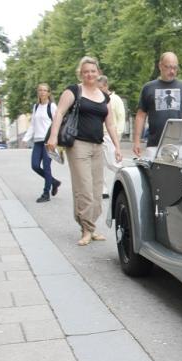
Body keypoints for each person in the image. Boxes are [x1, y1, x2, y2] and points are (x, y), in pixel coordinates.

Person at [46, 56, 122, 246]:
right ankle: (86, 230)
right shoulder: (74, 91)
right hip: (78, 145)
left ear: (98, 73)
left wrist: (117, 146)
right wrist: (53, 137)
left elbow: (110, 124)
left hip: (97, 145)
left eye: (93, 71)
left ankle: (91, 226)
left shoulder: (104, 97)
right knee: (84, 189)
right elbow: (59, 113)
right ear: (81, 73)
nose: (89, 74)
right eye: (86, 71)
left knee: (96, 190)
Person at [133, 52, 182, 160]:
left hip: (180, 145)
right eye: (168, 67)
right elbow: (140, 116)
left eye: (175, 68)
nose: (172, 71)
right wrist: (136, 141)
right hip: (155, 145)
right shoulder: (148, 88)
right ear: (160, 66)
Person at [23, 83, 62, 203]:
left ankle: (46, 193)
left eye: (45, 90)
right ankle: (54, 182)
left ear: (48, 93)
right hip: (37, 141)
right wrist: (26, 139)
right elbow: (33, 125)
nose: (42, 92)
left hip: (48, 141)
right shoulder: (36, 107)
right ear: (38, 92)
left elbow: (57, 123)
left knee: (46, 167)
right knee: (35, 166)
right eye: (40, 90)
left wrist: (55, 139)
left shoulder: (52, 106)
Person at [97, 75, 126, 199]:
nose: (99, 90)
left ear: (106, 86)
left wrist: (117, 134)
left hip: (110, 134)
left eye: (100, 87)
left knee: (112, 162)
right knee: (99, 164)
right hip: (98, 134)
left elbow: (121, 117)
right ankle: (102, 189)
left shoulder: (115, 99)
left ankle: (125, 178)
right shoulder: (97, 98)